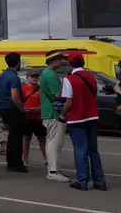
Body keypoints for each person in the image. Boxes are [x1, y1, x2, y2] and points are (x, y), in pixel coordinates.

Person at [59, 54, 107, 191]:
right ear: (83, 62)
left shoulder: (69, 79)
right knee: (93, 151)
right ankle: (99, 181)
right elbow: (94, 95)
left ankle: (82, 181)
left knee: (80, 150)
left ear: (70, 65)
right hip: (92, 116)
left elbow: (69, 101)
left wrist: (62, 115)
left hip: (77, 118)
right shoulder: (91, 77)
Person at [38, 51, 71, 183]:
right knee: (55, 142)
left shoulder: (46, 73)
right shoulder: (51, 75)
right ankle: (53, 171)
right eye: (61, 59)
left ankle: (52, 168)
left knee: (51, 141)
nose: (63, 62)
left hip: (49, 111)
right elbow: (57, 95)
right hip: (53, 112)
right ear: (53, 60)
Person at [0, 52, 27, 173]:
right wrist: (22, 109)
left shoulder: (3, 75)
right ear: (18, 62)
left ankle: (11, 162)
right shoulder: (14, 77)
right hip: (12, 108)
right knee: (16, 138)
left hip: (3, 108)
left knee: (12, 136)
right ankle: (16, 164)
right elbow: (15, 97)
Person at [21, 70, 48, 167]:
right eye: (32, 77)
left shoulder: (41, 90)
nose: (34, 78)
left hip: (38, 118)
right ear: (27, 78)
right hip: (27, 118)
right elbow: (19, 102)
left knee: (42, 139)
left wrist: (36, 109)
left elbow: (45, 104)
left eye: (36, 77)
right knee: (26, 139)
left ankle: (47, 159)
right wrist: (24, 109)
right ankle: (25, 159)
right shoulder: (23, 88)